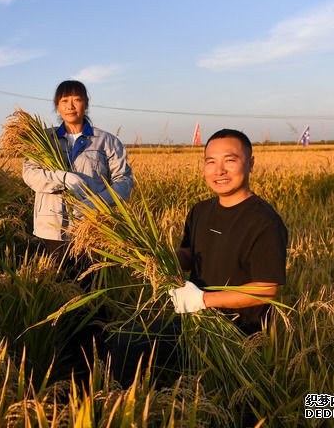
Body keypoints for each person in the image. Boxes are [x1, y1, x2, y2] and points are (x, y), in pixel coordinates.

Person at [110, 128, 287, 384]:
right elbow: (189, 254)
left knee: (131, 348)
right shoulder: (201, 211)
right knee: (121, 342)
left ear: (251, 164)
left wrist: (203, 299)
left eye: (230, 160)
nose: (219, 170)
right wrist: (158, 259)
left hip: (234, 332)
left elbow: (265, 290)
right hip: (194, 318)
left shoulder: (264, 222)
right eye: (211, 162)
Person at [22, 80, 133, 264]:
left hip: (91, 229)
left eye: (77, 100)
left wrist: (96, 203)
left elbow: (124, 182)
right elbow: (30, 174)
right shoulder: (45, 139)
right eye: (65, 100)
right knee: (55, 286)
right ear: (57, 105)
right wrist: (63, 178)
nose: (70, 106)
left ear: (86, 103)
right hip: (51, 230)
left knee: (89, 286)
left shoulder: (106, 141)